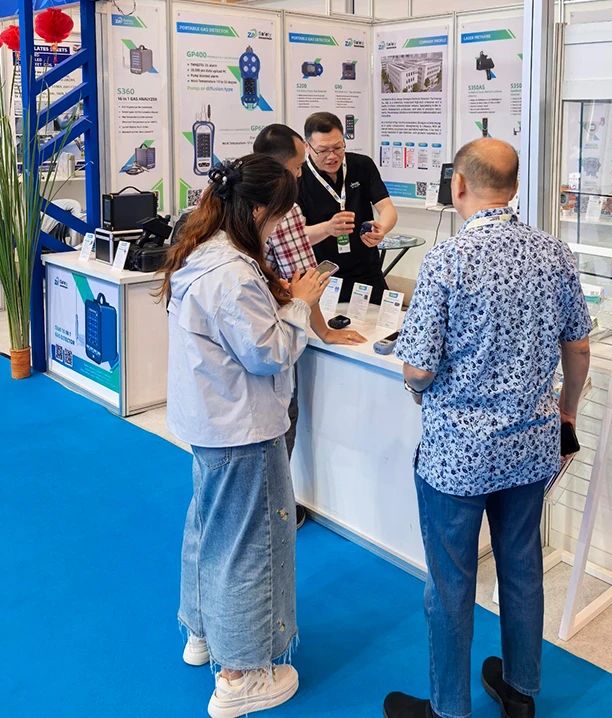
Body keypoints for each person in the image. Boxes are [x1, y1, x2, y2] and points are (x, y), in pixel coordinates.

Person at [384, 139, 592, 718]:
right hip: (529, 447)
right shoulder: (554, 253)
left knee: (450, 581)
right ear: (515, 187)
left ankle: (449, 708)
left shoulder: (446, 260)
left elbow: (418, 368)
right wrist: (567, 412)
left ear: (458, 185)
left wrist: (418, 390)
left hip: (458, 455)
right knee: (521, 566)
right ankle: (521, 691)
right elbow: (578, 348)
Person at [161, 155, 330, 718]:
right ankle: (240, 675)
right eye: (280, 214)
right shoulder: (232, 273)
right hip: (242, 428)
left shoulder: (202, 250)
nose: (282, 225)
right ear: (259, 210)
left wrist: (280, 299)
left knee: (209, 529)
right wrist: (301, 304)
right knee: (250, 545)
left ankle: (202, 632)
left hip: (211, 422)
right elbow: (269, 354)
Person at [253, 123, 367, 529]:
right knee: (280, 420)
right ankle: (274, 514)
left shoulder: (228, 195)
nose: (301, 174)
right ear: (280, 167)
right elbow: (305, 280)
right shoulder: (284, 207)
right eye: (299, 165)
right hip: (273, 333)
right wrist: (325, 331)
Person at [297, 111, 398, 303]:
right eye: (323, 150)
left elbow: (387, 208)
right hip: (321, 276)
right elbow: (296, 236)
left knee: (381, 320)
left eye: (338, 147)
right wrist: (327, 228)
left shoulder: (362, 165)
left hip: (366, 268)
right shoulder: (297, 176)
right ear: (307, 146)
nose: (332, 156)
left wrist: (382, 228)